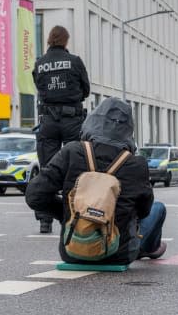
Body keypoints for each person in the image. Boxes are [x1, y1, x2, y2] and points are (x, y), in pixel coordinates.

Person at [25, 97, 167, 265]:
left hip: (73, 250)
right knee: (158, 209)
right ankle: (149, 248)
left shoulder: (71, 152)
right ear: (129, 130)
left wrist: (70, 214)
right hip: (119, 254)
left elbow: (34, 195)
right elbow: (144, 211)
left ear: (92, 121)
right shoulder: (136, 164)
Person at [32, 25, 90, 234]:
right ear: (66, 41)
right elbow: (86, 89)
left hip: (48, 120)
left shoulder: (39, 64)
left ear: (49, 40)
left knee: (48, 169)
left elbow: (39, 88)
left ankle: (45, 220)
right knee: (77, 166)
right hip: (72, 119)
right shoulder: (74, 61)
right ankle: (76, 215)